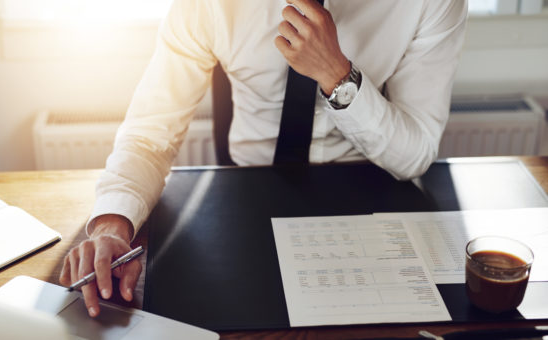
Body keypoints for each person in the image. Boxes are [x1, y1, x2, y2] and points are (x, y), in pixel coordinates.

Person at [59, 0, 468, 317]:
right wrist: (112, 224)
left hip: (372, 198)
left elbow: (414, 154)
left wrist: (337, 75)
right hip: (243, 202)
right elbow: (150, 133)